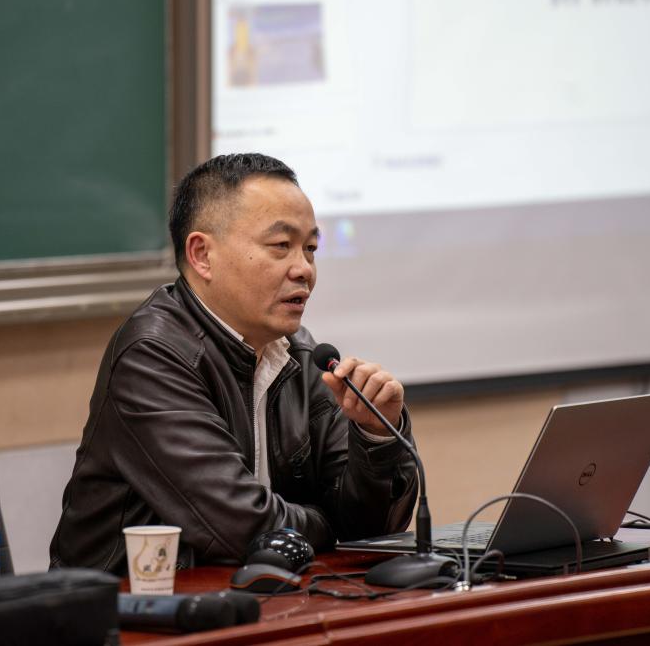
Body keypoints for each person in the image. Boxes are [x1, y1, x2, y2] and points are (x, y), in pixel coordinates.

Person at [49, 153, 418, 573]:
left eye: (311, 249)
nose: (304, 270)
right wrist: (330, 526)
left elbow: (371, 531)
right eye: (281, 246)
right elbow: (242, 528)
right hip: (131, 604)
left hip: (258, 594)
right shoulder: (152, 354)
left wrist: (376, 437)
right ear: (202, 254)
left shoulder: (300, 352)